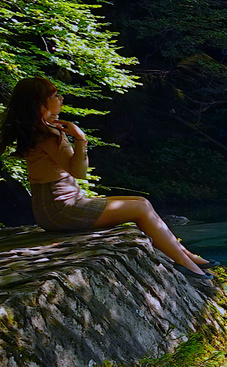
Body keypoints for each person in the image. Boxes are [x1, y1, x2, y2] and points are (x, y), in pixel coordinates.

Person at [0, 78, 210, 277]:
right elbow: (79, 173)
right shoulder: (48, 135)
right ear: (40, 104)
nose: (61, 99)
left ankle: (186, 255)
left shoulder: (40, 131)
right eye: (55, 95)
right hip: (61, 209)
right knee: (141, 208)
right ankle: (186, 264)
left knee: (142, 202)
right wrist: (81, 139)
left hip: (53, 208)